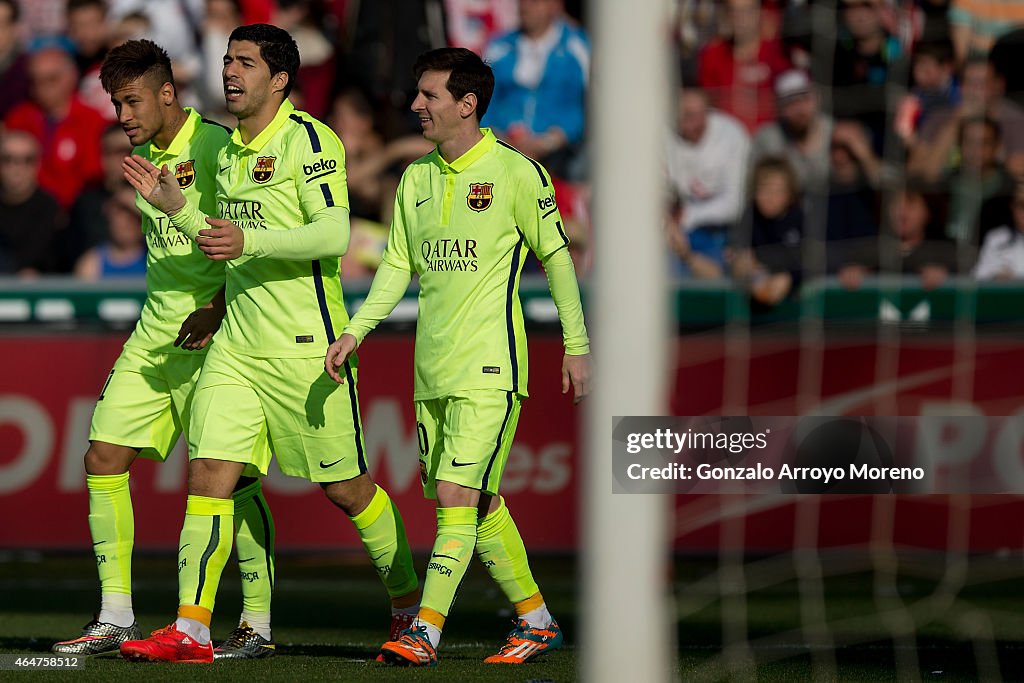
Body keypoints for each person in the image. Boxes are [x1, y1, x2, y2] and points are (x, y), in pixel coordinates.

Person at [118, 24, 420, 664]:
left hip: (307, 348)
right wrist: (179, 210)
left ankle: (406, 602)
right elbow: (225, 240)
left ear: (279, 79)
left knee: (347, 491)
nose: (230, 72)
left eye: (246, 63)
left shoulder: (309, 139)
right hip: (236, 347)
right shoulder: (226, 152)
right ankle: (191, 627)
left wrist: (247, 243)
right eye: (227, 60)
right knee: (209, 476)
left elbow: (334, 234)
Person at [324, 47, 591, 667]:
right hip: (432, 371)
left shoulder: (517, 173)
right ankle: (537, 620)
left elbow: (557, 258)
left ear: (466, 104)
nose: (416, 105)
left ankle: (425, 631)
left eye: (430, 96)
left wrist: (576, 346)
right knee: (481, 501)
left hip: (491, 366)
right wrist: (356, 330)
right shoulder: (416, 178)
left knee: (455, 495)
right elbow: (396, 267)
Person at [50, 38, 280, 660]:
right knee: (102, 458)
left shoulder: (215, 147)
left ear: (167, 93)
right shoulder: (143, 154)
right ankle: (117, 616)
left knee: (234, 485)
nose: (122, 116)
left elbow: (246, 236)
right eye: (115, 104)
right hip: (156, 336)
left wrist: (221, 306)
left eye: (131, 101)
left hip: (222, 336)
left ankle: (256, 622)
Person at [0, 130, 60, 276]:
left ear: (38, 164)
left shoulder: (50, 209)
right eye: (8, 159)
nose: (16, 168)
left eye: (27, 160)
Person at [73, 185, 147, 279]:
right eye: (120, 213)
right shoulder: (91, 265)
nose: (127, 222)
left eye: (135, 216)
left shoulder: (157, 260)